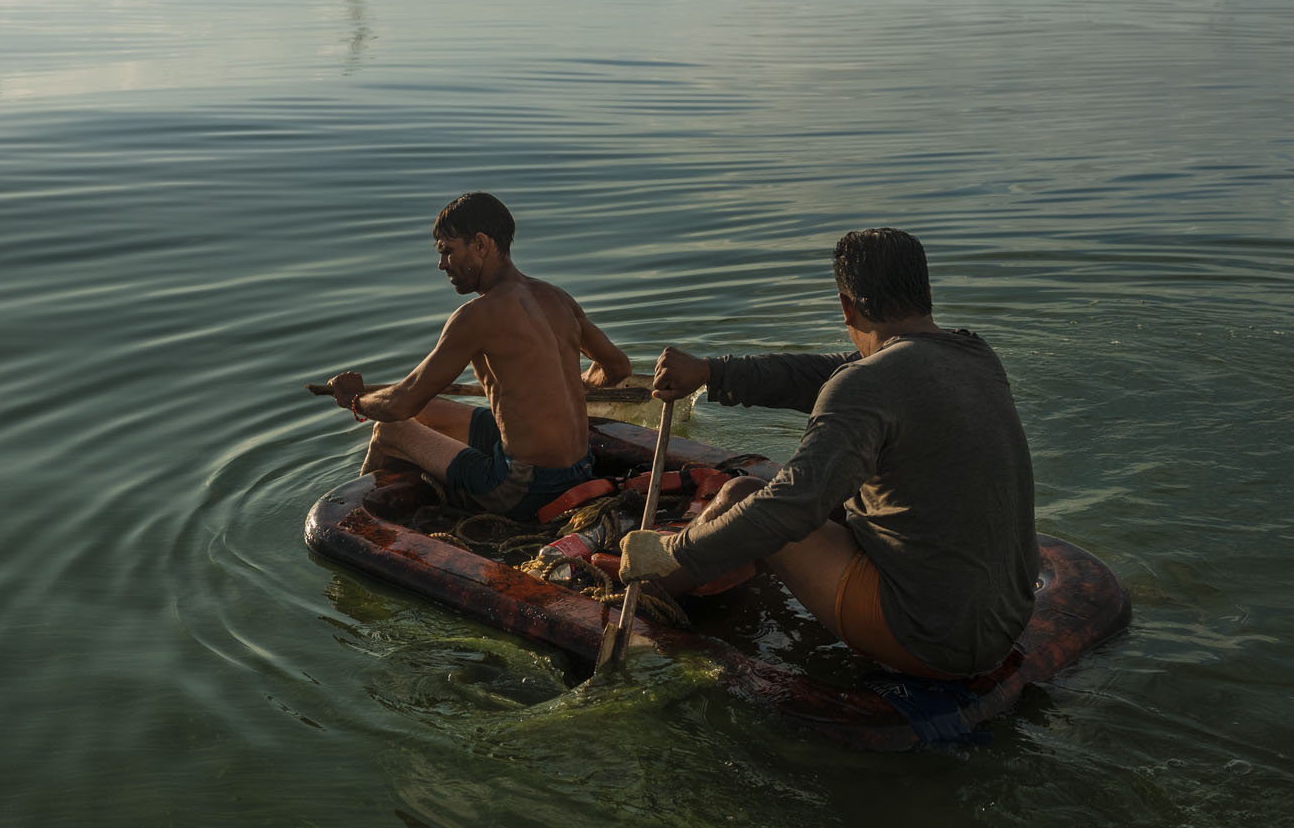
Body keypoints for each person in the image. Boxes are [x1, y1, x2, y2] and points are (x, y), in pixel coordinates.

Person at [620, 228, 1037, 680]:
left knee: (743, 494)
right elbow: (829, 373)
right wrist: (710, 373)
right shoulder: (975, 354)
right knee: (832, 496)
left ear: (846, 307)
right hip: (1003, 620)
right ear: (927, 295)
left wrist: (672, 549)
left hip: (930, 639)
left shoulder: (866, 383)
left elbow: (791, 508)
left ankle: (643, 591)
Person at [324, 193, 632, 521]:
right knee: (427, 409)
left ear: (481, 244)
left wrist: (355, 402)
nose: (442, 265)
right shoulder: (558, 298)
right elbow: (617, 367)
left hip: (526, 487)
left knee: (390, 431)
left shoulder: (475, 317)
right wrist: (575, 384)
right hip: (582, 468)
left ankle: (356, 520)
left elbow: (399, 405)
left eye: (447, 251)